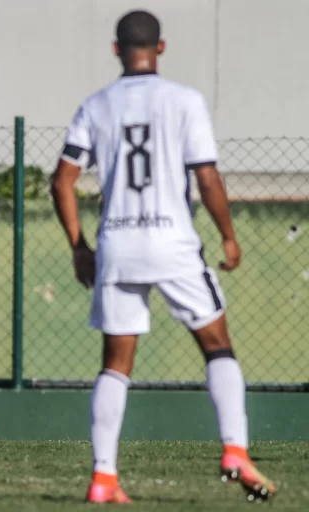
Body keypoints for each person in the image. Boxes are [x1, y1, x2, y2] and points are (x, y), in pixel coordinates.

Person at [50, 9, 276, 504]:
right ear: (162, 48)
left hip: (119, 244)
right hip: (173, 242)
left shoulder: (97, 104)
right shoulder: (185, 101)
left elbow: (62, 179)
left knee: (115, 363)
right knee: (217, 344)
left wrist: (79, 247)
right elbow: (208, 176)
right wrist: (229, 237)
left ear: (115, 50)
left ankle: (103, 478)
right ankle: (235, 450)